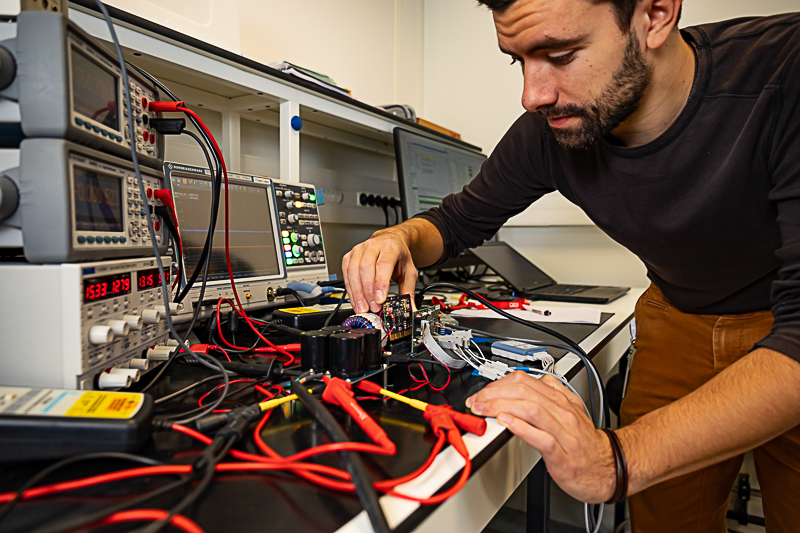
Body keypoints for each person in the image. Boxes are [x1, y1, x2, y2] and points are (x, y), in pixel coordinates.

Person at [342, 0, 800, 531]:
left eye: (560, 55)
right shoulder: (549, 129)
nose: (533, 95)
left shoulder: (783, 71)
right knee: (667, 519)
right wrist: (397, 237)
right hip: (676, 321)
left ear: (654, 14)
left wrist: (616, 460)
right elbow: (454, 223)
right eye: (518, 60)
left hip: (783, 328)